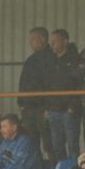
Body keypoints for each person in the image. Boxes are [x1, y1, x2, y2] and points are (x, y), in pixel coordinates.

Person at [45, 29, 82, 162]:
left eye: (55, 41)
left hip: (69, 110)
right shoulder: (51, 61)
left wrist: (73, 106)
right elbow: (47, 85)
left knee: (72, 145)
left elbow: (79, 84)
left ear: (65, 41)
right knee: (57, 146)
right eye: (51, 42)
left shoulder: (75, 60)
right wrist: (47, 107)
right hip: (53, 109)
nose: (52, 44)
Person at [18, 27, 53, 157]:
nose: (30, 42)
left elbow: (53, 84)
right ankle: (35, 168)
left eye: (33, 39)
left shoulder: (52, 58)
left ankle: (54, 168)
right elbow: (23, 82)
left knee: (49, 144)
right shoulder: (30, 60)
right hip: (28, 108)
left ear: (43, 39)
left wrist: (49, 107)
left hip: (43, 108)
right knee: (30, 143)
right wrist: (21, 103)